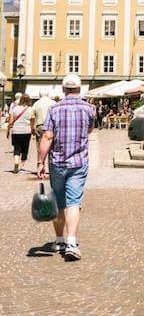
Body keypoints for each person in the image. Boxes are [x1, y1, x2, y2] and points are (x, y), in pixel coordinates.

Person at [38, 74, 96, 261]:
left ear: (63, 89)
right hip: (78, 162)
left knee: (58, 201)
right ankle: (71, 242)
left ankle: (59, 239)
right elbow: (89, 130)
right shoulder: (89, 109)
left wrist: (40, 162)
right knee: (74, 201)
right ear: (80, 89)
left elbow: (47, 136)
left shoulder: (54, 109)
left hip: (57, 163)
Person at [8, 94, 34, 173]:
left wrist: (8, 130)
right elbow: (32, 121)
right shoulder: (31, 109)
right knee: (25, 147)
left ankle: (16, 161)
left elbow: (11, 121)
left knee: (16, 147)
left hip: (16, 131)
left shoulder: (15, 108)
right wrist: (33, 132)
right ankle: (21, 166)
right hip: (26, 131)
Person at [32, 88, 56, 175]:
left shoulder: (36, 103)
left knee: (39, 148)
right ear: (48, 94)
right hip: (52, 127)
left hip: (40, 126)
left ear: (39, 95)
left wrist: (32, 130)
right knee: (52, 147)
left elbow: (32, 117)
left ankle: (40, 167)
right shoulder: (53, 103)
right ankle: (52, 168)